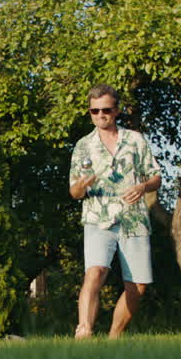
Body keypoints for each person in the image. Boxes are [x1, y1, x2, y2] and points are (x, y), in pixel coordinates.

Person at [69, 84, 163, 339]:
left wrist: (143, 186)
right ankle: (84, 331)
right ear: (90, 113)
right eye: (95, 111)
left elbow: (156, 176)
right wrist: (81, 185)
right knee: (95, 272)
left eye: (106, 110)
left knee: (138, 285)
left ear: (117, 110)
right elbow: (74, 193)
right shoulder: (82, 146)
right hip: (97, 220)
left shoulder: (135, 140)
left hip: (134, 219)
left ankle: (113, 339)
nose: (101, 115)